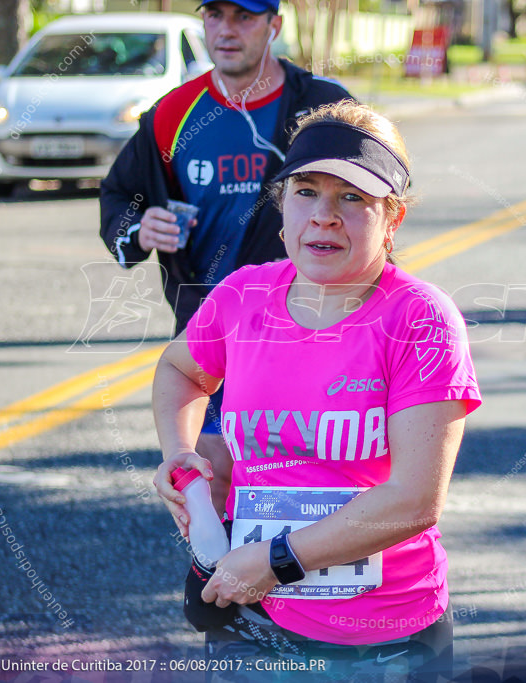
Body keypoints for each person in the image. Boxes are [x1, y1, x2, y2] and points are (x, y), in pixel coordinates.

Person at [152, 101, 482, 681]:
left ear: (393, 218)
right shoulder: (243, 295)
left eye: (353, 197)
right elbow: (180, 369)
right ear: (281, 210)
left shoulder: (420, 318)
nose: (325, 216)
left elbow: (413, 499)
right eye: (307, 191)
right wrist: (181, 455)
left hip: (383, 633)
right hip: (253, 613)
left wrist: (278, 562)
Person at [100, 0, 351, 506]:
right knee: (213, 478)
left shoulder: (322, 109)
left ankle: (295, 578)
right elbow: (121, 193)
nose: (227, 30)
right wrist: (141, 228)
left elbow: (373, 199)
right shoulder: (174, 113)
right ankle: (222, 582)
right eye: (215, 15)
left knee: (305, 481)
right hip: (211, 330)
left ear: (274, 26)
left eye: (244, 17)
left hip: (311, 327)